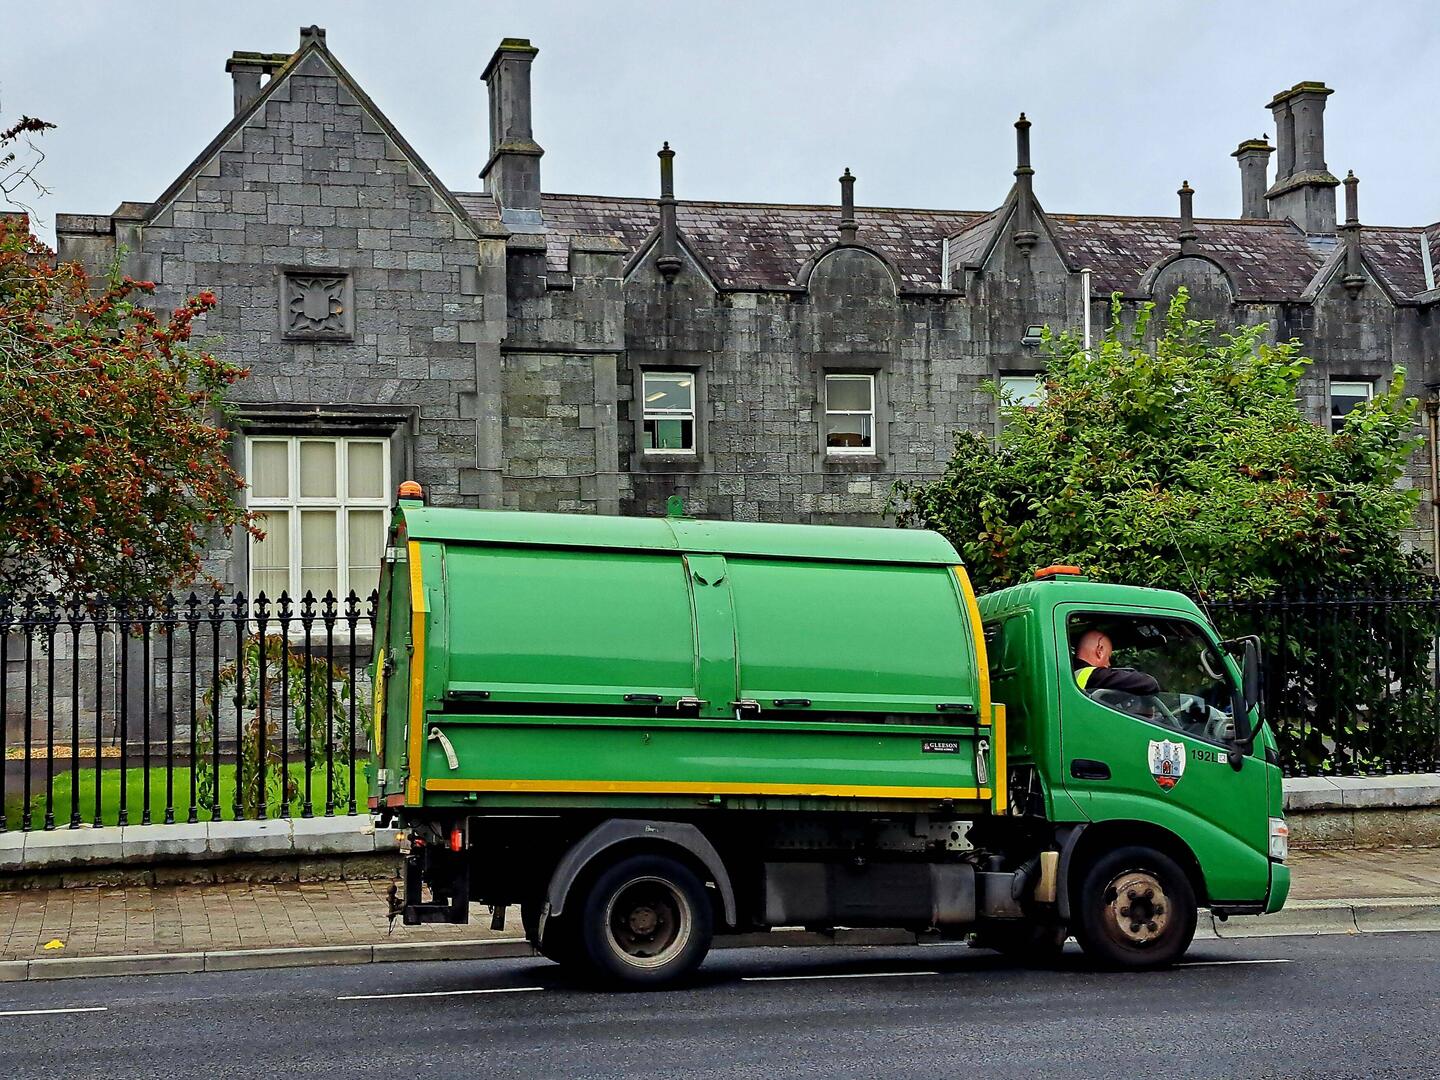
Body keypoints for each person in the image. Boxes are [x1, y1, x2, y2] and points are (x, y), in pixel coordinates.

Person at [1074, 629, 1160, 695]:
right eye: (1108, 658)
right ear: (1099, 651)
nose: (1109, 664)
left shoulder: (1072, 672)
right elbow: (1149, 683)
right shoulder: (1090, 675)